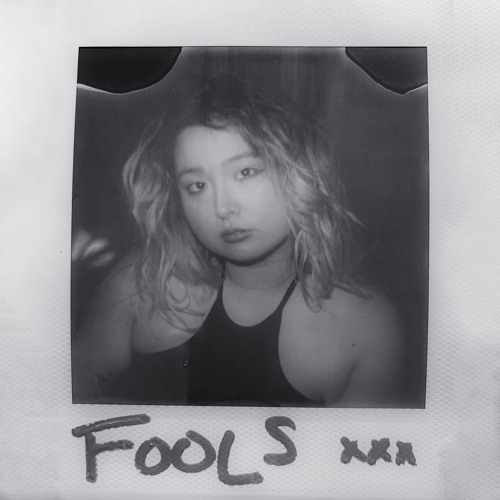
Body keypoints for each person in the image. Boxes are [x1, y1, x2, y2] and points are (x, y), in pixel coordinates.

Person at [72, 74, 407, 407]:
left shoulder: (366, 327)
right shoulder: (144, 280)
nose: (222, 208)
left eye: (245, 172)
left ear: (299, 171)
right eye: (197, 186)